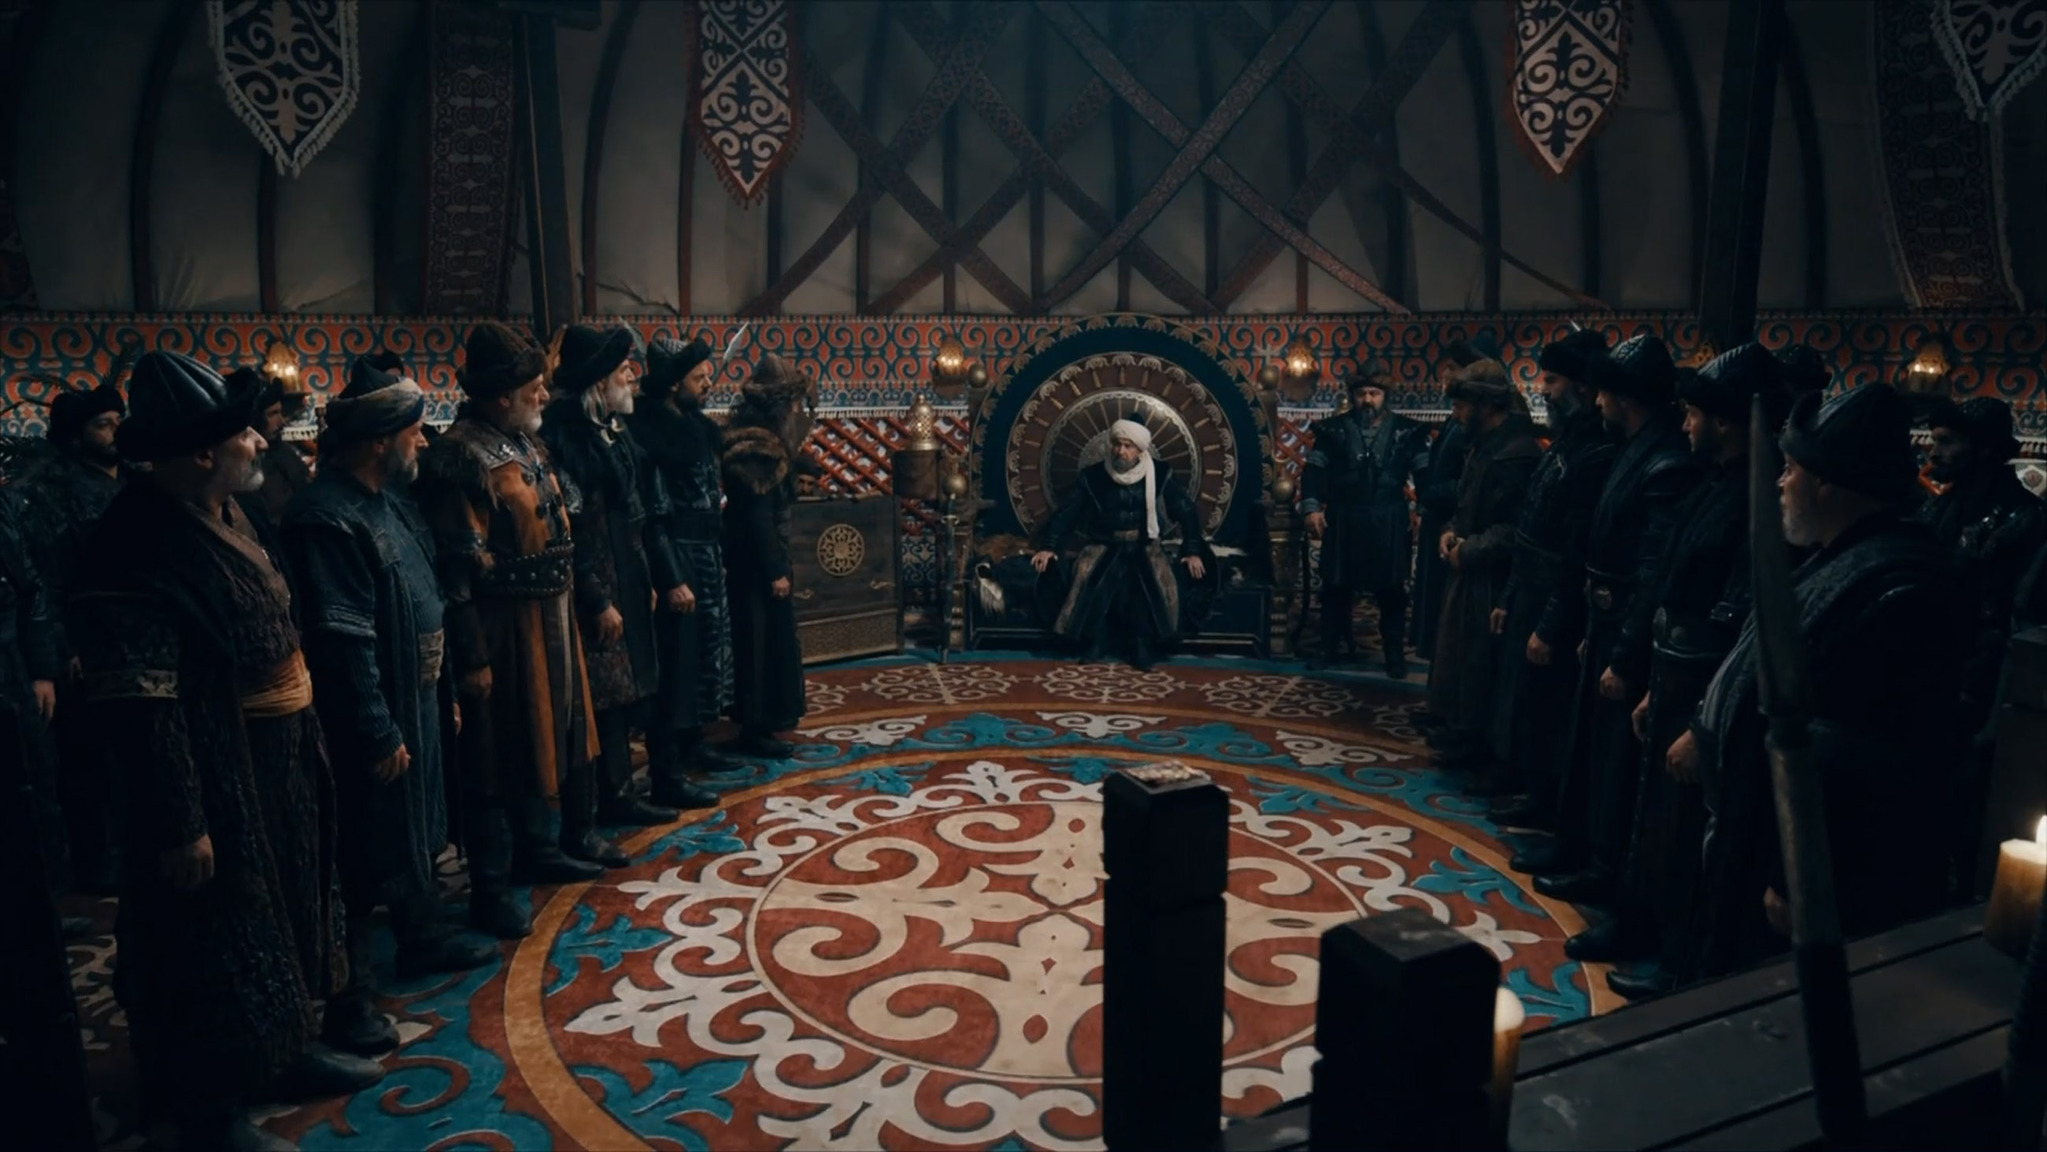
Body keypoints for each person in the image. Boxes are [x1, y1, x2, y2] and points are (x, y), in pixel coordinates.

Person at [69, 351, 381, 1149]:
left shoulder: (228, 510)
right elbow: (142, 701)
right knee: (208, 937)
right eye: (245, 432)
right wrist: (181, 820)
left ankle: (284, 1049)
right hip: (210, 776)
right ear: (204, 452)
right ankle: (207, 1106)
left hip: (274, 757)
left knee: (283, 911)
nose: (260, 441)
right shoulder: (133, 542)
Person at [1674, 383, 1967, 983]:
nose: (1781, 484)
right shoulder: (1838, 554)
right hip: (1758, 822)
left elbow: (1857, 755)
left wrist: (1796, 877)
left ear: (1829, 485)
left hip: (1800, 858)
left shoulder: (1899, 586)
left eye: (1791, 470)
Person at [282, 357, 498, 1057]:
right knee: (360, 852)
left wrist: (440, 692)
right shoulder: (326, 516)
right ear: (380, 441)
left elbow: (424, 598)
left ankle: (422, 935)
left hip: (417, 699)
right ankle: (353, 998)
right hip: (370, 716)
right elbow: (342, 639)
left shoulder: (388, 501)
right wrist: (377, 728)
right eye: (413, 432)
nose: (423, 443)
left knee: (413, 830)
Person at [1600, 344, 1785, 1000]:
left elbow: (1741, 628)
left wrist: (1702, 721)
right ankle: (1641, 926)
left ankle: (1678, 959)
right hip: (1675, 676)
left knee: (1690, 834)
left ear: (1726, 421)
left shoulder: (1756, 500)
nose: (1683, 423)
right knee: (1654, 821)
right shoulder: (1712, 482)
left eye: (1695, 414)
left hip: (1710, 688)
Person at [414, 323, 609, 942]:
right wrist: (472, 655)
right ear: (501, 396)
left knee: (547, 737)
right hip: (504, 626)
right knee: (496, 753)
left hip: (551, 614)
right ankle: (491, 890)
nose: (545, 395)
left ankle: (539, 848)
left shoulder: (525, 441)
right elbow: (456, 567)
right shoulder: (461, 457)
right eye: (534, 388)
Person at [1533, 336, 1700, 911]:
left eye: (1604, 392)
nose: (1597, 401)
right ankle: (1576, 848)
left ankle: (1603, 868)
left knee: (1615, 763)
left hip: (1629, 629)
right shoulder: (1634, 448)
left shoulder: (1664, 462)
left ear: (1624, 398)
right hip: (1606, 622)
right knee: (1589, 749)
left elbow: (1651, 572)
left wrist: (1626, 652)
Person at [540, 323, 697, 822]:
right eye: (622, 371)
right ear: (598, 383)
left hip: (627, 577)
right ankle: (614, 797)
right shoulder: (567, 440)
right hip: (596, 586)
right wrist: (597, 598)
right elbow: (573, 532)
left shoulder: (613, 432)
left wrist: (649, 578)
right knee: (605, 695)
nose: (631, 378)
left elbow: (637, 514)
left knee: (632, 688)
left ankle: (638, 785)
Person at [1485, 328, 1615, 815]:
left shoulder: (1596, 450)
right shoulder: (1568, 441)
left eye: (1553, 380)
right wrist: (1511, 595)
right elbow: (1532, 523)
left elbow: (1574, 545)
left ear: (1582, 386)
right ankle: (1521, 779)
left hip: (1557, 597)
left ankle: (1543, 800)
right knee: (1523, 695)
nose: (1544, 389)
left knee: (1550, 701)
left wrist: (1550, 620)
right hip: (1531, 588)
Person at [1917, 395, 2043, 897]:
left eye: (1947, 442)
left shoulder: (2022, 518)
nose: (1934, 451)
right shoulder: (1941, 505)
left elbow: (2010, 618)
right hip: (1927, 673)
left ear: (1984, 449)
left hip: (1980, 686)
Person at [16, 380, 129, 900]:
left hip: (132, 635)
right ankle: (97, 867)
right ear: (75, 434)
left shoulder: (134, 479)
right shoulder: (49, 490)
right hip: (85, 644)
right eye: (103, 425)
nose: (115, 432)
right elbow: (45, 579)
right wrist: (66, 648)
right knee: (89, 761)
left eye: (118, 421)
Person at [629, 336, 737, 806]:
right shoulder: (654, 436)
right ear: (674, 384)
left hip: (705, 551)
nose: (709, 383)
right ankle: (667, 771)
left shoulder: (694, 426)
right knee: (675, 664)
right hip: (678, 554)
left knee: (701, 657)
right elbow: (655, 515)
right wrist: (672, 576)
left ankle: (694, 742)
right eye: (699, 377)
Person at [1426, 359, 1543, 767]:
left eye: (1461, 406)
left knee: (1484, 664)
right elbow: (1466, 504)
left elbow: (1515, 527)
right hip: (1470, 572)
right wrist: (1450, 531)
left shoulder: (1516, 454)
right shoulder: (1482, 445)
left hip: (1495, 579)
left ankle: (1480, 747)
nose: (1456, 414)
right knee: (1462, 658)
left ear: (1485, 405)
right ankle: (1462, 730)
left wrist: (1471, 548)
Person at [1032, 418, 1215, 670]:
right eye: (1117, 444)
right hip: (1104, 544)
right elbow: (1067, 514)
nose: (1121, 451)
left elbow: (1185, 510)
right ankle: (1096, 642)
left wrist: (1192, 551)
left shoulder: (1161, 473)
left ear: (1140, 449)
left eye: (1128, 446)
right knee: (1086, 574)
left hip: (1145, 544)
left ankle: (1141, 646)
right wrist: (1049, 547)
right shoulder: (1093, 476)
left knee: (1157, 579)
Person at [1300, 361, 1428, 676]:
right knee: (1335, 588)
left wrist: (1422, 510)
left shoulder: (1407, 431)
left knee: (1392, 591)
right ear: (1353, 396)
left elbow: (1425, 475)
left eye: (1374, 393)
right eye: (1361, 394)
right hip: (1344, 517)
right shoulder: (1332, 430)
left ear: (1385, 395)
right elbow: (1314, 471)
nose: (1367, 400)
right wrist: (1312, 508)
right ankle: (1328, 648)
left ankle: (1394, 655)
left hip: (1389, 518)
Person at [721, 355, 818, 755]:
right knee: (757, 643)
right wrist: (775, 569)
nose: (797, 411)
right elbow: (758, 516)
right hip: (754, 562)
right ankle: (755, 728)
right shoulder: (757, 448)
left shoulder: (761, 439)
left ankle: (766, 721)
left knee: (766, 639)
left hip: (756, 558)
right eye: (793, 403)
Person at [1414, 336, 1503, 665]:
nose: (1446, 374)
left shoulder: (1475, 425)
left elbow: (1468, 480)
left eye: (1453, 368)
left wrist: (1433, 494)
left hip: (1458, 529)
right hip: (1440, 523)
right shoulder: (1456, 418)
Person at [0, 491, 64, 924]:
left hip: (14, 665)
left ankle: (46, 907)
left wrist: (41, 669)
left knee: (36, 782)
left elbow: (30, 585)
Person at [236, 367, 315, 541]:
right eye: (273, 414)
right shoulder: (243, 465)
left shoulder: (283, 451)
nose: (281, 421)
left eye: (280, 413)